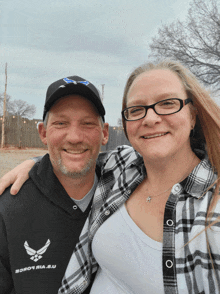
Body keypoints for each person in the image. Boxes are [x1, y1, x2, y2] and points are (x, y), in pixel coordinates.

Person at [1, 60, 220, 294]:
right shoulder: (123, 169)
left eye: (167, 103)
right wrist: (34, 166)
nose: (150, 118)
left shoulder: (211, 210)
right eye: (136, 109)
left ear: (193, 115)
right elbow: (74, 158)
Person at [0, 75, 109, 294]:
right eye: (61, 123)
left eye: (87, 123)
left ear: (105, 133)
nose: (75, 137)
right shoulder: (8, 208)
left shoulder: (126, 195)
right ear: (43, 133)